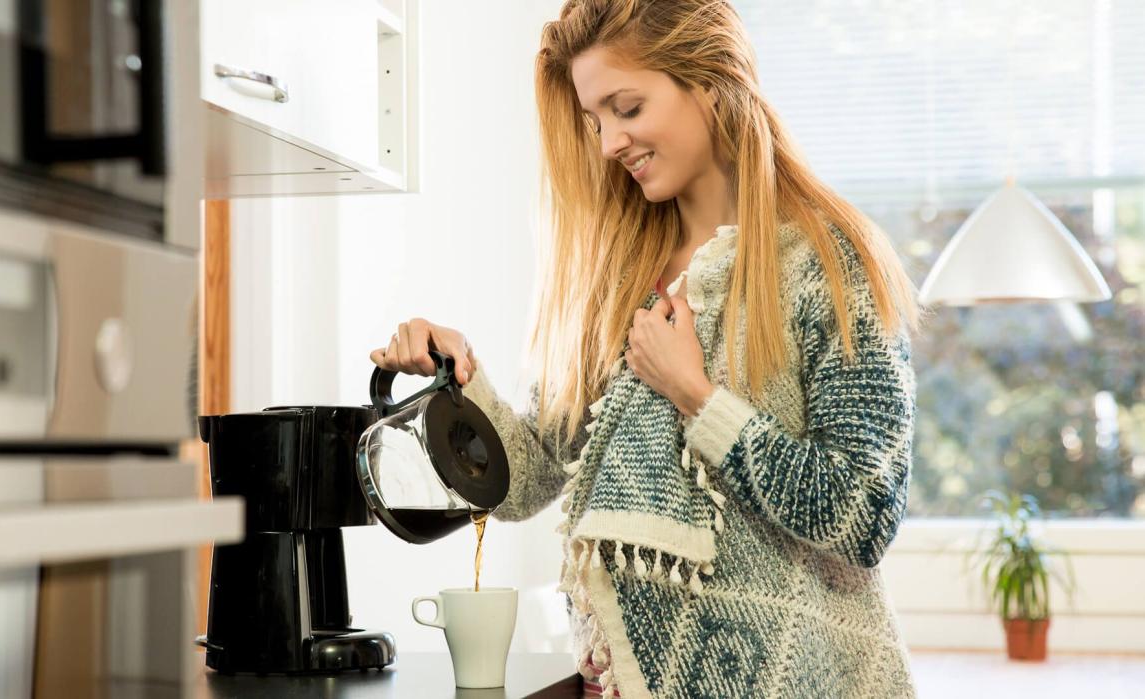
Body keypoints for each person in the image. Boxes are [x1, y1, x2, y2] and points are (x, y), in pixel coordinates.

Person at [368, 1, 922, 696]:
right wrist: (459, 378)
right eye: (595, 120)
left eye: (627, 108)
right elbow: (531, 478)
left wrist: (696, 395)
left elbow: (862, 514)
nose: (607, 143)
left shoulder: (828, 264)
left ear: (712, 82)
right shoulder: (615, 281)